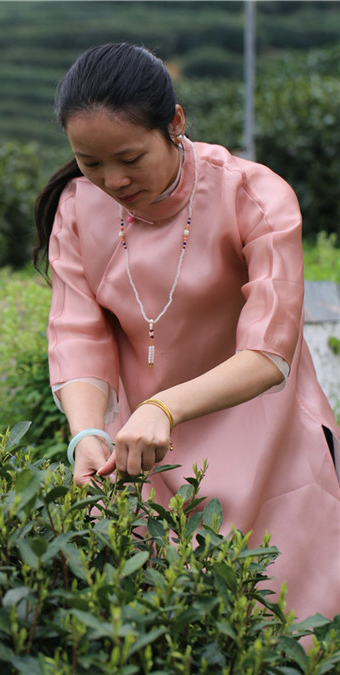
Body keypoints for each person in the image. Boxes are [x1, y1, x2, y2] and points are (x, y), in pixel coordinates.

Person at [34, 43, 340, 623]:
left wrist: (163, 407)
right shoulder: (77, 210)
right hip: (142, 452)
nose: (112, 181)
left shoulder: (253, 194)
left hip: (269, 442)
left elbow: (269, 352)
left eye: (129, 157)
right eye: (90, 163)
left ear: (174, 123)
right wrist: (88, 433)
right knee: (154, 626)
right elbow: (78, 335)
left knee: (284, 623)